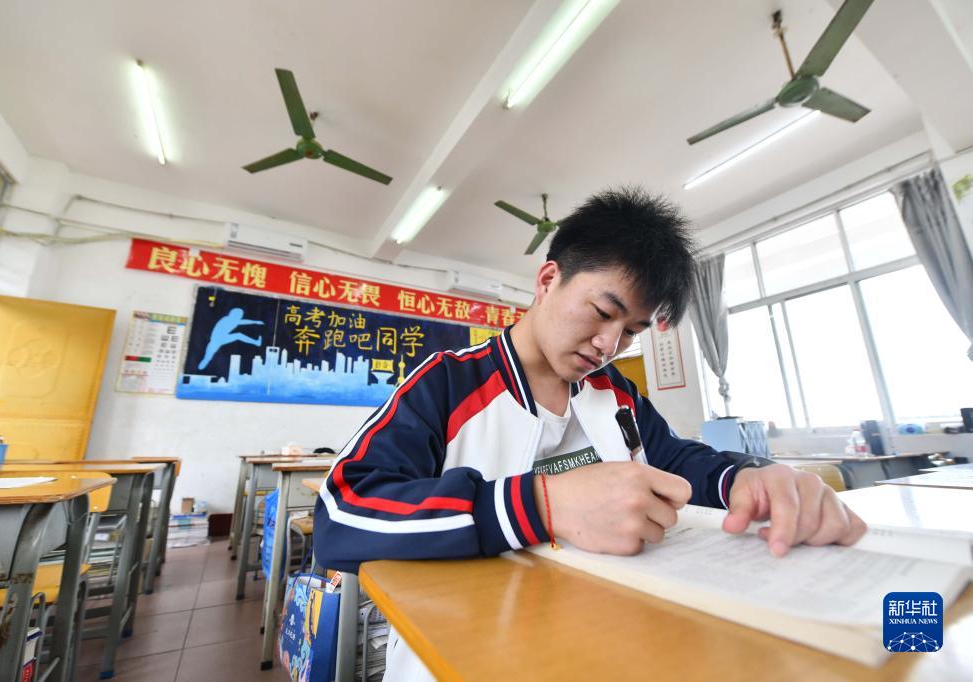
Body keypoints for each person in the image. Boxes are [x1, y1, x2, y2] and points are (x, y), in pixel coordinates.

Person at [313, 186, 866, 679]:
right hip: (464, 656)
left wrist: (746, 478)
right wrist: (541, 504)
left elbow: (673, 459)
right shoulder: (448, 383)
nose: (609, 345)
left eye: (630, 332)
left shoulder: (614, 391)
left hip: (606, 642)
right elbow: (340, 516)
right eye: (603, 312)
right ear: (548, 280)